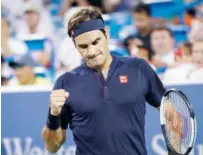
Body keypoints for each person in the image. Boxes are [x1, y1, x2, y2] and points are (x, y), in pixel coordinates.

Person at [41, 7, 167, 155]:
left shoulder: (139, 68)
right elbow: (52, 147)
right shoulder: (65, 82)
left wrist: (176, 138)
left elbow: (169, 112)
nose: (91, 51)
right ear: (75, 46)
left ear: (106, 33)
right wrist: (53, 114)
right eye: (83, 46)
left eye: (96, 42)